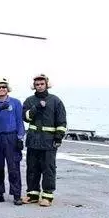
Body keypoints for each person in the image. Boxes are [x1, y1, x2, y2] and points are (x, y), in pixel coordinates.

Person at [22, 74, 67, 207]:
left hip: (49, 141)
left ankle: (48, 196)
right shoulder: (29, 101)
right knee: (32, 168)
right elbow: (25, 117)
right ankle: (32, 194)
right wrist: (36, 108)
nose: (40, 86)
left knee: (48, 169)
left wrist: (59, 137)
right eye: (37, 84)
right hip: (33, 141)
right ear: (34, 86)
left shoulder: (55, 101)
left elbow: (61, 121)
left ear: (47, 84)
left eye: (42, 84)